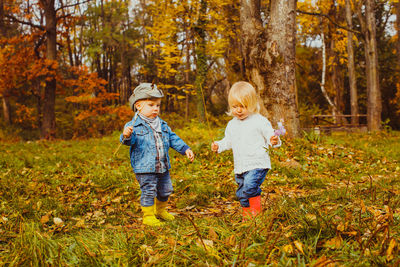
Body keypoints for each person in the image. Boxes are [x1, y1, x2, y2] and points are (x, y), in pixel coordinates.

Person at [120, 83, 195, 226]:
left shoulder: (162, 124)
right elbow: (128, 141)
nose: (155, 108)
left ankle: (160, 210)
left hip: (162, 164)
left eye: (158, 105)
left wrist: (185, 149)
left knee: (165, 189)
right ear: (138, 106)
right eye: (151, 105)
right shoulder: (133, 125)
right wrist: (126, 135)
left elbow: (173, 138)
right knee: (149, 190)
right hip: (145, 167)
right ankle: (148, 215)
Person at [211, 81, 281, 220]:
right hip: (241, 166)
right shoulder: (232, 125)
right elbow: (228, 141)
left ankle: (256, 214)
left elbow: (270, 135)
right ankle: (247, 217)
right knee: (242, 193)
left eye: (243, 106)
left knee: (249, 187)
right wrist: (219, 145)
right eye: (235, 106)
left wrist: (274, 140)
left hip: (257, 163)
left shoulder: (259, 121)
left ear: (252, 104)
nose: (238, 110)